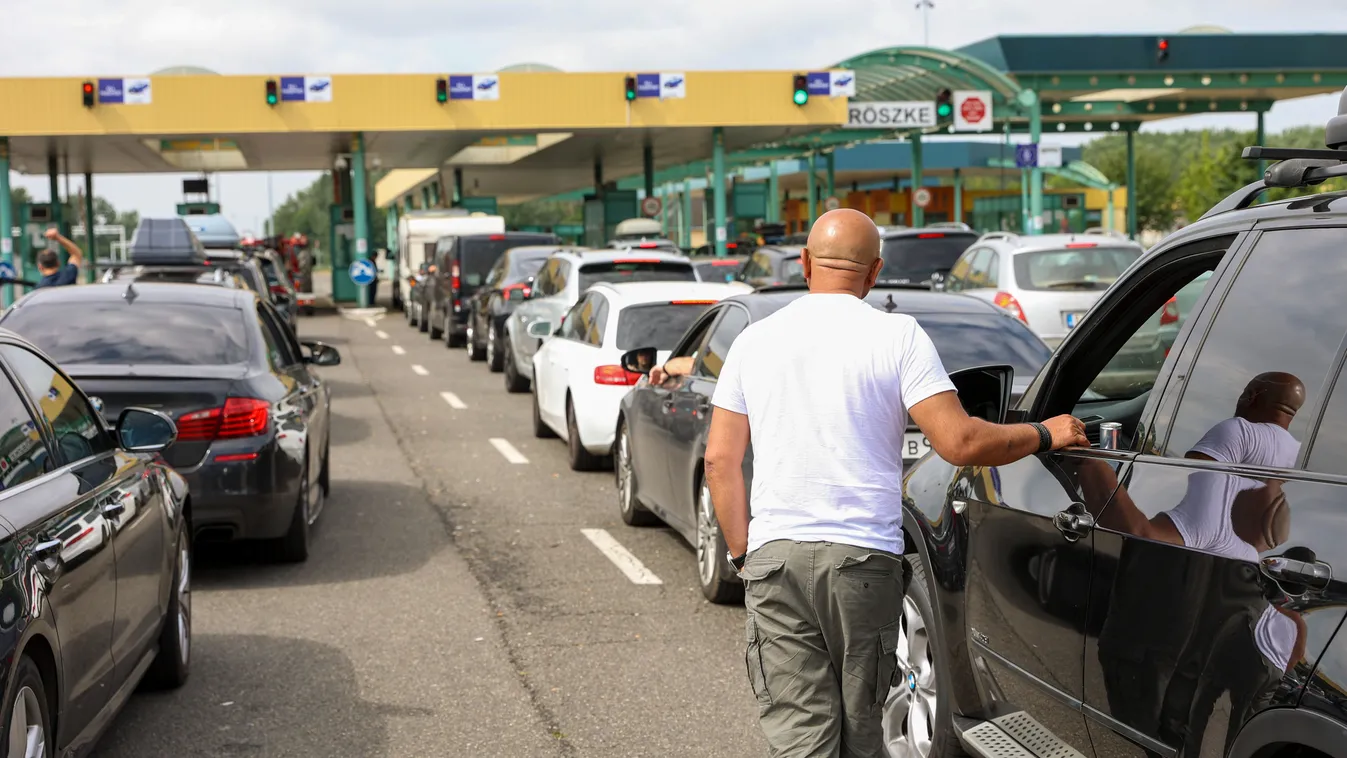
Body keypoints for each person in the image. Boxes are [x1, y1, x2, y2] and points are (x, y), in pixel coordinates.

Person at [682, 208, 1086, 757]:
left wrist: (741, 557)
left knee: (801, 737)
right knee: (861, 733)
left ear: (804, 263)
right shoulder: (897, 336)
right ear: (874, 273)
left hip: (775, 557)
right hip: (862, 557)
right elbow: (960, 442)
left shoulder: (755, 341)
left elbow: (720, 462)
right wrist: (1045, 432)